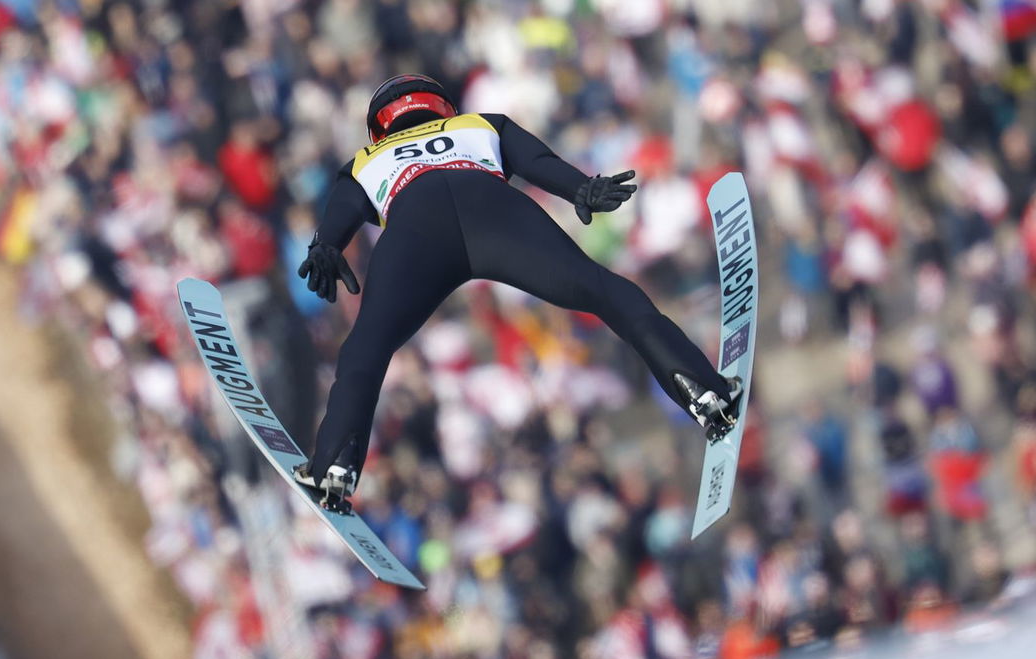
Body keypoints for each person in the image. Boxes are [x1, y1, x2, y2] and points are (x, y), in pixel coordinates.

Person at [292, 73, 741, 509]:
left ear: (378, 127)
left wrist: (325, 246)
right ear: (442, 105)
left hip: (416, 230)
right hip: (496, 213)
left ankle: (335, 465)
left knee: (364, 352)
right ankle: (701, 389)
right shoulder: (480, 123)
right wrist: (580, 189)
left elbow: (342, 213)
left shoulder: (364, 160)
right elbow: (538, 163)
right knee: (606, 292)